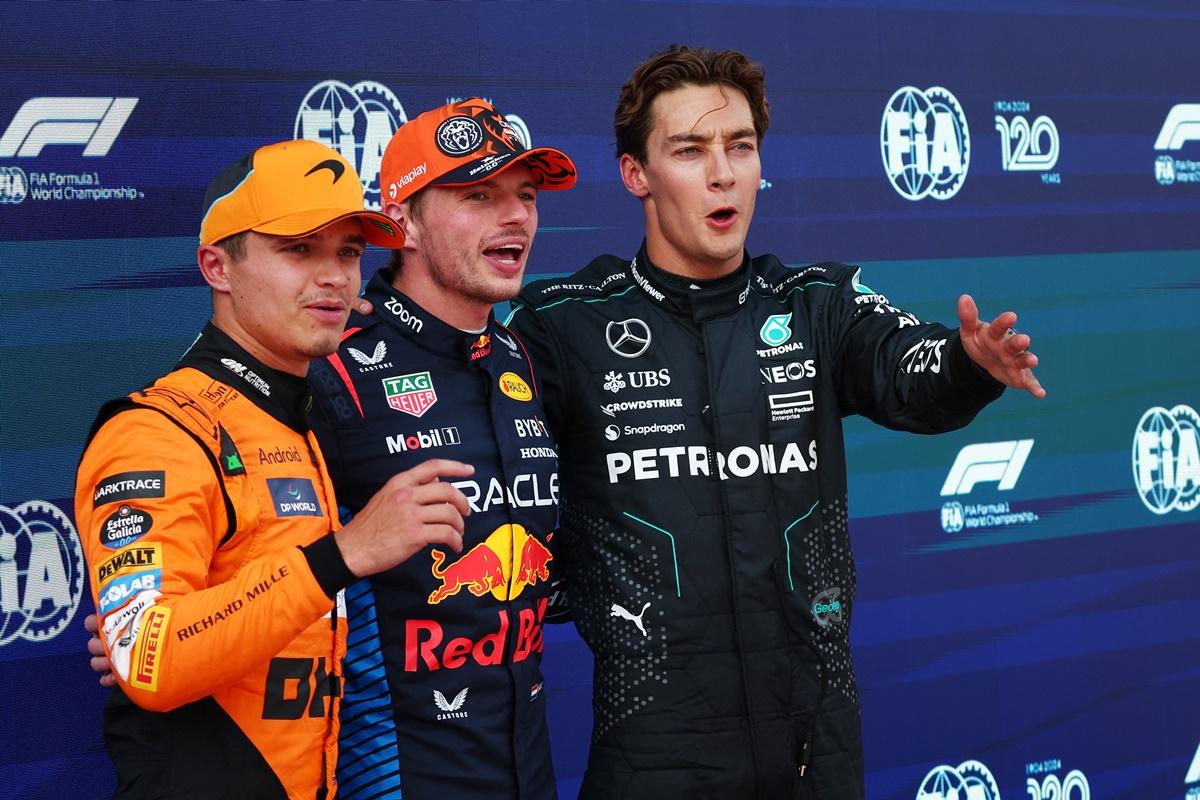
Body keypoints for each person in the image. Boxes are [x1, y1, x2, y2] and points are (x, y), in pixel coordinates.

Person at [504, 46, 1045, 799]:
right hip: (653, 756)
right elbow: (491, 465)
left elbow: (905, 369)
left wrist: (966, 364)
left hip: (813, 753)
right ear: (637, 175)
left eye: (741, 147)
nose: (723, 173)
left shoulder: (814, 303)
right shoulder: (564, 323)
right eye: (689, 151)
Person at [75, 138, 476, 799]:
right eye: (298, 249)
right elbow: (150, 660)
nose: (334, 276)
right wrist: (341, 555)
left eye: (348, 253)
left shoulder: (299, 412)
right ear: (217, 266)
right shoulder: (155, 433)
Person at [305, 97, 576, 800]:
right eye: (477, 196)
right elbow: (259, 575)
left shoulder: (518, 354)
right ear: (403, 224)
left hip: (527, 772)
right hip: (398, 778)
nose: (514, 216)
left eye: (524, 195)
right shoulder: (332, 370)